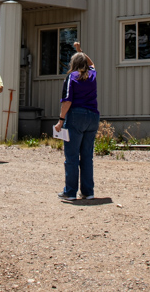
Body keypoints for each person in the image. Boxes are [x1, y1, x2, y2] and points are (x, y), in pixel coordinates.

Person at [54, 42, 99, 201]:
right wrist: (81, 51)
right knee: (87, 156)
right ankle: (88, 191)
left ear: (73, 64)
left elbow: (67, 101)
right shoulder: (92, 74)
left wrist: (61, 120)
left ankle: (70, 192)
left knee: (72, 156)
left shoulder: (71, 77)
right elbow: (92, 63)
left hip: (76, 117)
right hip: (93, 117)